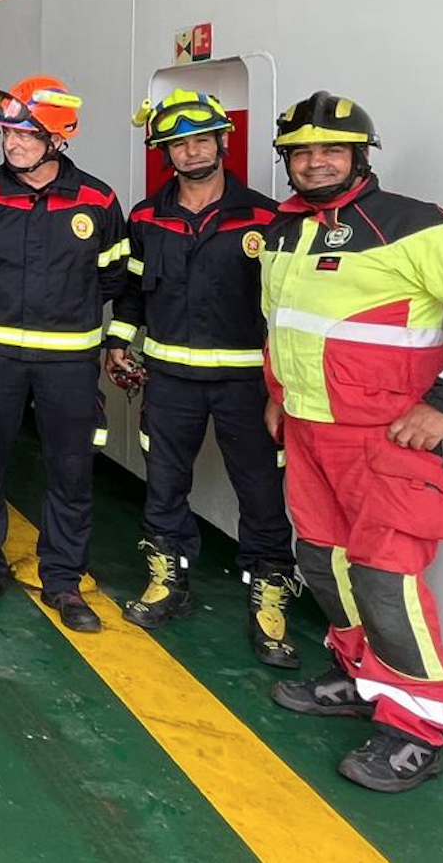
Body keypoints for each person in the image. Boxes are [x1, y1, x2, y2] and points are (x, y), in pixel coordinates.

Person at [260, 91, 443, 793]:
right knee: (323, 565)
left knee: (387, 584)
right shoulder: (285, 232)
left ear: (359, 155)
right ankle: (359, 679)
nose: (316, 162)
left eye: (332, 149)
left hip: (382, 444)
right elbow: (289, 326)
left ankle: (415, 730)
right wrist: (278, 397)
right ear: (287, 161)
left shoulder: (414, 226)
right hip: (308, 434)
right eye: (302, 151)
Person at [107, 89, 297, 667]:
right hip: (169, 379)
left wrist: (285, 387)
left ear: (222, 142)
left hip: (247, 386)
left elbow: (286, 307)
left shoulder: (267, 218)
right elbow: (133, 292)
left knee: (261, 491)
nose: (190, 153)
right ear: (166, 153)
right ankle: (168, 581)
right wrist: (118, 344)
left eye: (200, 141)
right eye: (178, 145)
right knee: (164, 484)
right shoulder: (146, 217)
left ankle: (269, 595)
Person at [0, 76, 126, 630]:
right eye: (5, 133)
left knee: (70, 471)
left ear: (58, 138)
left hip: (67, 364)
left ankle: (64, 580)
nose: (10, 143)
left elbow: (114, 275)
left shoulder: (97, 200)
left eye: (23, 134)